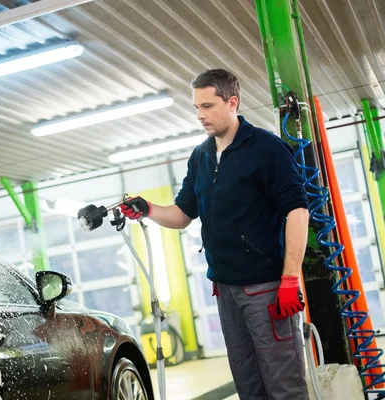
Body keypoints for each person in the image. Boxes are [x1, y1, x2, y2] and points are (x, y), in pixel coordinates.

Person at [120, 69, 310, 400]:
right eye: (196, 107)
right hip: (226, 291)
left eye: (208, 106)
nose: (200, 116)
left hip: (266, 290)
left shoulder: (267, 149)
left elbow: (297, 211)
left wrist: (290, 278)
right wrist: (148, 208)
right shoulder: (201, 156)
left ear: (232, 102)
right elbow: (182, 214)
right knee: (249, 387)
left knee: (284, 386)